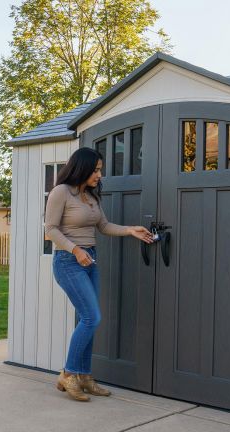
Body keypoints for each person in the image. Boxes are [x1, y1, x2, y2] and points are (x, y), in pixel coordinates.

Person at [44, 147, 154, 401]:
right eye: (95, 170)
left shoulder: (91, 196)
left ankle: (83, 376)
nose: (99, 175)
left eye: (100, 170)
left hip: (90, 260)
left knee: (88, 318)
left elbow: (103, 226)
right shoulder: (61, 192)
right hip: (68, 261)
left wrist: (130, 230)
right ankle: (68, 374)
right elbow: (51, 230)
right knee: (92, 318)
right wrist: (75, 250)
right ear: (81, 168)